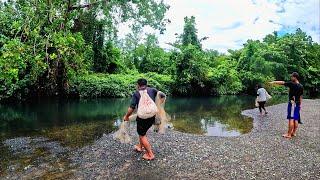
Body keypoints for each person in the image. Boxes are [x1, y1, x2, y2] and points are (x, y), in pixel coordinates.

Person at [123, 78, 165, 160]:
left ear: (138, 85)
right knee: (142, 131)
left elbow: (132, 108)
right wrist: (159, 104)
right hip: (152, 116)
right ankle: (140, 146)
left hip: (142, 118)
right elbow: (162, 96)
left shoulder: (136, 93)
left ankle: (150, 154)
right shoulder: (152, 90)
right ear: (146, 84)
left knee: (142, 135)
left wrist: (127, 116)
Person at [270, 72, 303, 139]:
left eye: (292, 77)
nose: (291, 78)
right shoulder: (301, 86)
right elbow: (301, 96)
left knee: (291, 119)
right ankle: (293, 132)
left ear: (295, 77)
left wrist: (273, 82)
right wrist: (300, 105)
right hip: (297, 104)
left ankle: (289, 134)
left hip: (292, 103)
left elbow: (282, 82)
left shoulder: (292, 84)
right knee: (296, 119)